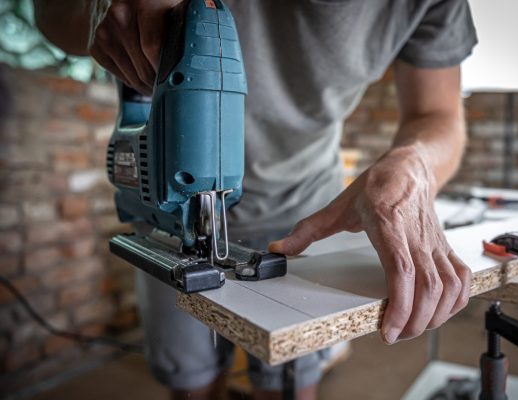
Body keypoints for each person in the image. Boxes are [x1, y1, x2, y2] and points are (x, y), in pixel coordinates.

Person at [34, 1, 477, 399]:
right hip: (168, 220)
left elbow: (437, 115)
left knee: (291, 381)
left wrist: (414, 163)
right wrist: (99, 7)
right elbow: (49, 14)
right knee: (190, 381)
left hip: (307, 214)